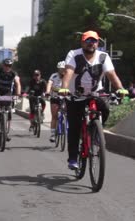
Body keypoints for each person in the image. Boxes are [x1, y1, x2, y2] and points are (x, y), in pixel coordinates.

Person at [61, 30, 124, 170]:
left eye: (94, 41)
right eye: (88, 41)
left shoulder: (103, 56)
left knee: (106, 108)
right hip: (75, 95)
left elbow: (111, 74)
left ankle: (95, 132)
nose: (91, 44)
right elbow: (69, 72)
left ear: (97, 43)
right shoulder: (74, 54)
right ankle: (72, 158)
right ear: (82, 42)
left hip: (95, 93)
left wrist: (120, 88)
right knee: (75, 127)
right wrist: (64, 88)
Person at [0, 58, 22, 129]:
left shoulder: (14, 74)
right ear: (3, 65)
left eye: (9, 66)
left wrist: (18, 94)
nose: (7, 67)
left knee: (9, 111)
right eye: (6, 65)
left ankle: (7, 131)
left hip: (8, 93)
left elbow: (18, 83)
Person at [46, 61, 67, 142]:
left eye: (64, 69)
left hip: (65, 97)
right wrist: (48, 91)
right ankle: (52, 134)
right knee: (54, 116)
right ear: (58, 69)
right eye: (61, 69)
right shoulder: (54, 76)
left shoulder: (68, 76)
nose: (62, 71)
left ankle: (66, 127)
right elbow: (49, 84)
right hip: (55, 97)